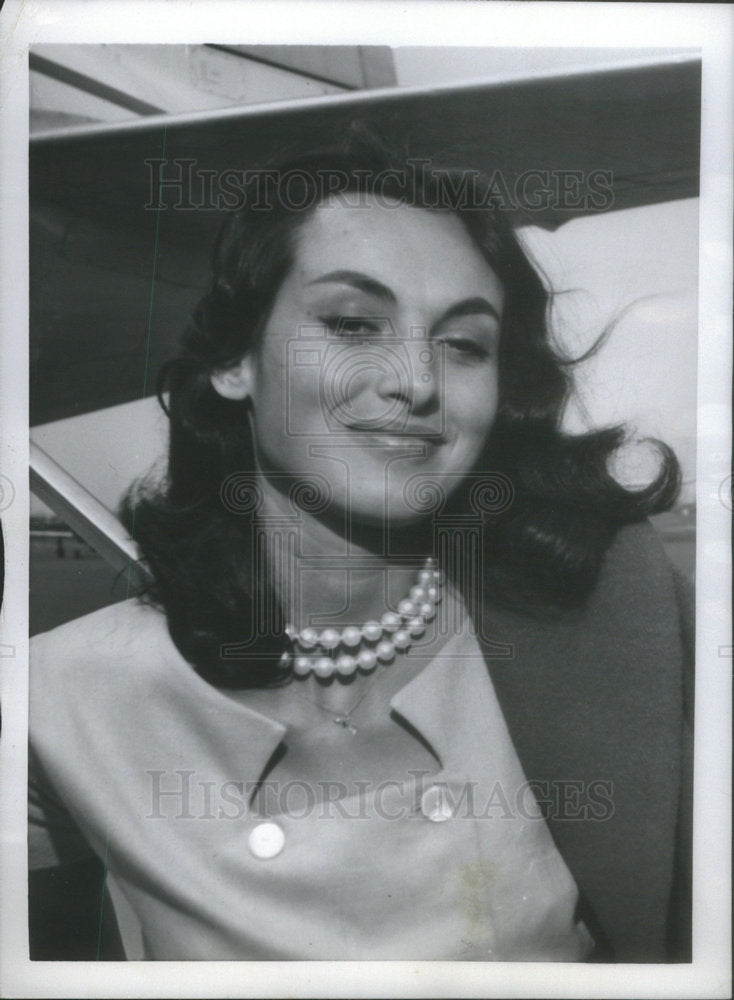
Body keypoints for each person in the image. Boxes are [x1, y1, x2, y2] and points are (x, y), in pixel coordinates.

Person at [28, 136, 693, 962]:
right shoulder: (57, 700)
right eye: (351, 324)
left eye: (464, 344)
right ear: (234, 361)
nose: (417, 381)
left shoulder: (608, 613)